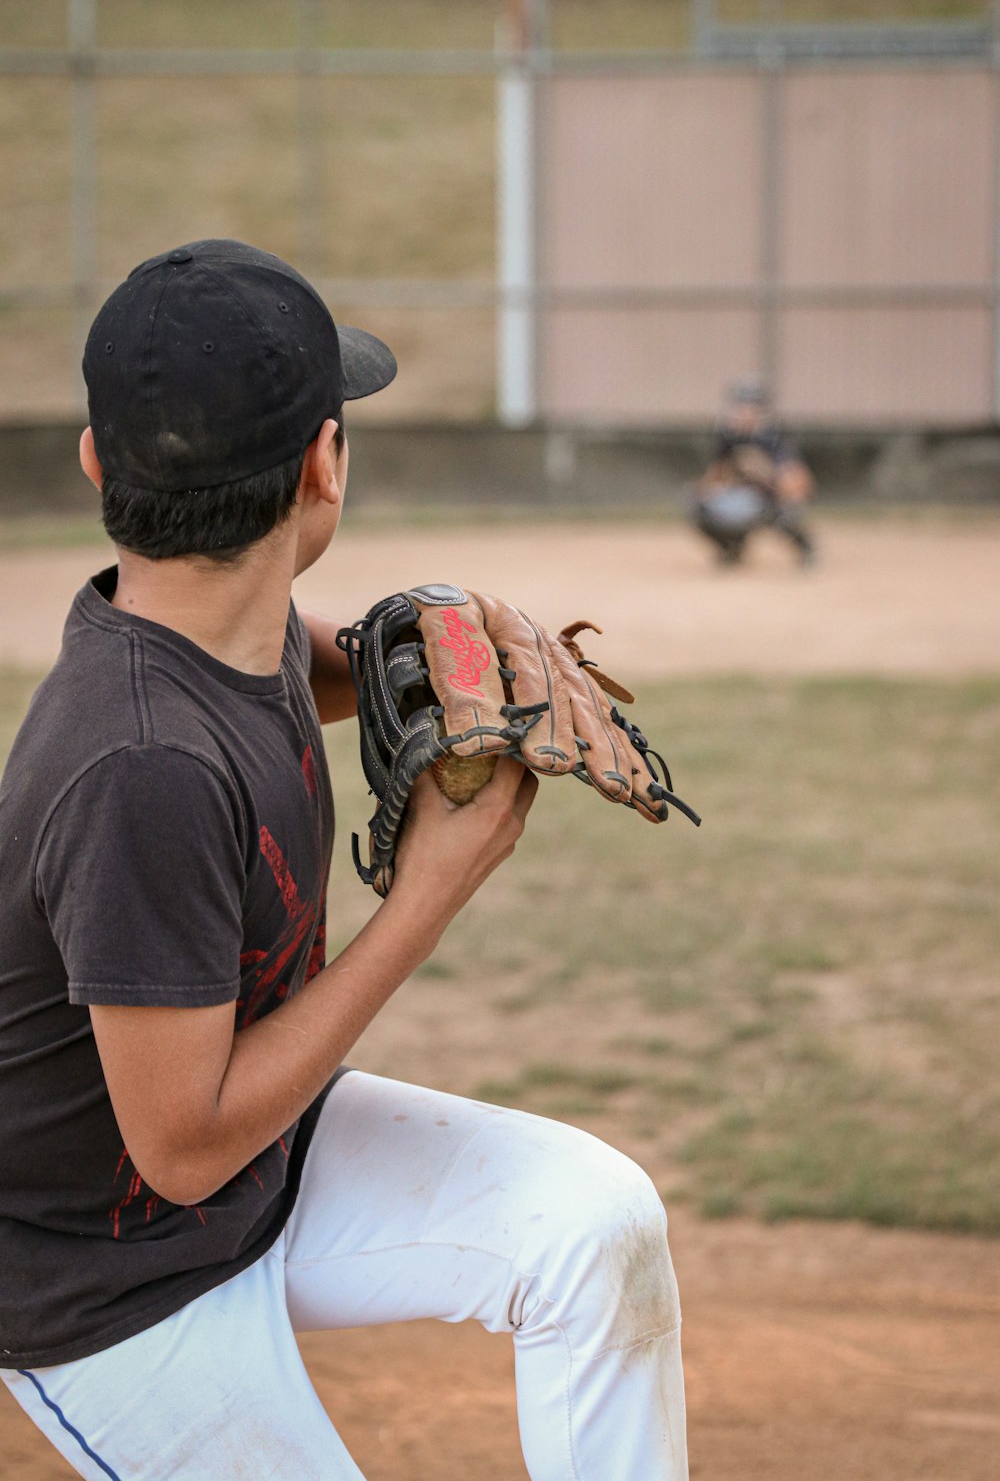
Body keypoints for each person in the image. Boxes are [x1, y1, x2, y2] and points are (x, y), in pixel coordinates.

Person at [0, 239, 687, 1479]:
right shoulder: (135, 768)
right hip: (107, 1284)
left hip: (262, 1171)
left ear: (100, 460)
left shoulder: (215, 618)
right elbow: (185, 1143)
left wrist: (412, 650)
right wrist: (423, 899)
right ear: (324, 464)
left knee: (593, 1223)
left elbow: (313, 660)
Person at [690, 377, 817, 567]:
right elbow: (716, 474)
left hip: (768, 498)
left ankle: (804, 547)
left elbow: (797, 479)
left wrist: (765, 473)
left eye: (752, 408)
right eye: (741, 407)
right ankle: (732, 548)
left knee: (784, 512)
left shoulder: (774, 438)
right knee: (699, 505)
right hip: (741, 496)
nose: (746, 413)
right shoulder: (727, 437)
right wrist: (710, 488)